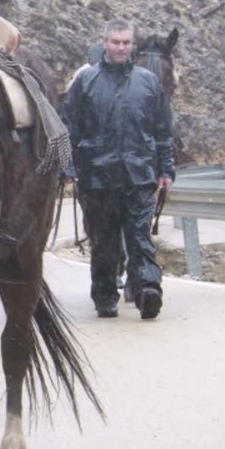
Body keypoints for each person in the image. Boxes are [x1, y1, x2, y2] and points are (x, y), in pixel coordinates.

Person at [62, 19, 175, 319]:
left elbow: (163, 129)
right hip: (97, 176)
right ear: (105, 43)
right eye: (116, 42)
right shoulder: (85, 81)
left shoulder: (148, 82)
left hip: (139, 175)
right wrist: (68, 165)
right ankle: (104, 295)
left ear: (132, 45)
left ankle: (148, 289)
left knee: (140, 236)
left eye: (126, 42)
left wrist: (166, 168)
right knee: (104, 241)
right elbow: (68, 128)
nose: (121, 47)